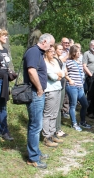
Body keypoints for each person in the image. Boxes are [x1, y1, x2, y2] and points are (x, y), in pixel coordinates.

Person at [24, 33, 55, 169]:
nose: (51, 47)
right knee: (35, 126)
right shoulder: (33, 52)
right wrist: (39, 88)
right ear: (44, 41)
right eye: (51, 44)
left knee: (36, 124)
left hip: (37, 92)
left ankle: (35, 151)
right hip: (35, 92)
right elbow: (31, 71)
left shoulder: (39, 52)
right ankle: (33, 158)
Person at [65, 45, 91, 132]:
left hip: (80, 87)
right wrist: (69, 80)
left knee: (85, 104)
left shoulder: (79, 62)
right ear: (73, 53)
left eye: (80, 51)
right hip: (72, 86)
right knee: (73, 105)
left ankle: (82, 122)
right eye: (78, 52)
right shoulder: (68, 62)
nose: (80, 53)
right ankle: (74, 123)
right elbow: (64, 73)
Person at [42, 46, 64, 147]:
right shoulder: (44, 62)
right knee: (48, 114)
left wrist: (58, 74)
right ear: (46, 52)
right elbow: (53, 76)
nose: (53, 53)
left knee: (55, 113)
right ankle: (46, 137)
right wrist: (57, 75)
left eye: (54, 52)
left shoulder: (54, 61)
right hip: (50, 90)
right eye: (51, 52)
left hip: (58, 88)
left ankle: (52, 133)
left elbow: (62, 73)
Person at [83, 40, 94, 118]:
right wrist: (91, 75)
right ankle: (89, 111)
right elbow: (84, 66)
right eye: (93, 45)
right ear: (90, 45)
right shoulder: (86, 53)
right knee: (90, 94)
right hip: (90, 77)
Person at [54, 44, 68, 137]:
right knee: (57, 108)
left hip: (62, 84)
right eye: (59, 49)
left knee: (59, 107)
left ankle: (58, 127)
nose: (61, 51)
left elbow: (65, 72)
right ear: (55, 50)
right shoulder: (55, 61)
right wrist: (63, 73)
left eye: (62, 50)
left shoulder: (61, 60)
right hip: (57, 85)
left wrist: (63, 73)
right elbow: (59, 73)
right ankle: (56, 129)